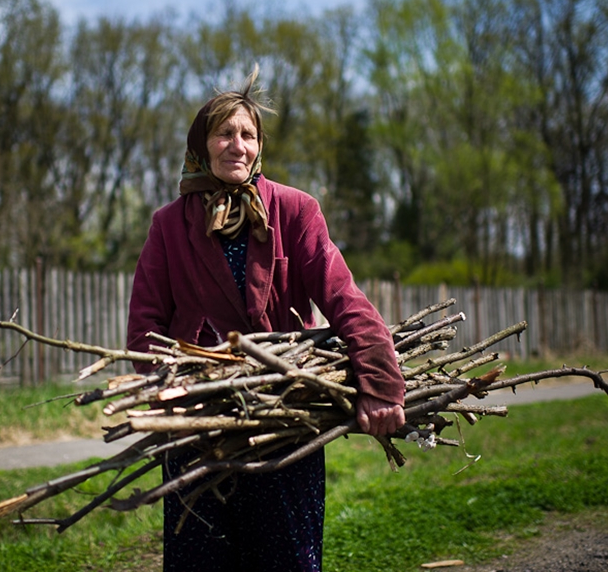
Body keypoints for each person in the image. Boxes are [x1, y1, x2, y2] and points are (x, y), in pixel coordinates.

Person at [126, 66, 405, 572]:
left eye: (248, 135)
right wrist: (163, 388)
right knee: (200, 562)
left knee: (286, 560)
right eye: (224, 133)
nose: (238, 145)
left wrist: (381, 383)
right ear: (201, 144)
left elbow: (344, 298)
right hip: (198, 421)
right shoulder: (169, 225)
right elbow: (145, 322)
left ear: (260, 146)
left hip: (284, 417)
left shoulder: (296, 211)